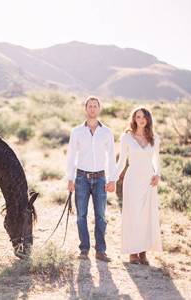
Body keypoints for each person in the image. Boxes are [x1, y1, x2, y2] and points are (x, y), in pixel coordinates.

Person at [66, 96, 117, 262]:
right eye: (90, 106)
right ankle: (84, 249)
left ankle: (101, 251)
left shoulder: (107, 132)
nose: (93, 109)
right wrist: (70, 178)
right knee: (81, 215)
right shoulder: (76, 132)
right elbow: (71, 156)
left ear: (99, 109)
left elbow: (111, 157)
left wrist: (112, 179)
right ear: (85, 109)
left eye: (95, 106)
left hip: (101, 178)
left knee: (101, 216)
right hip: (81, 178)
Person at [116, 107, 162, 265]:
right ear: (134, 119)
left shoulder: (154, 138)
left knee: (146, 216)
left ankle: (143, 252)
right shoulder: (126, 137)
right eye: (138, 117)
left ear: (148, 119)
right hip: (133, 180)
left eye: (144, 117)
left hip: (148, 181)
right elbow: (122, 161)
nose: (141, 120)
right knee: (133, 215)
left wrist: (158, 174)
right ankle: (132, 252)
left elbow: (156, 160)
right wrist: (112, 179)